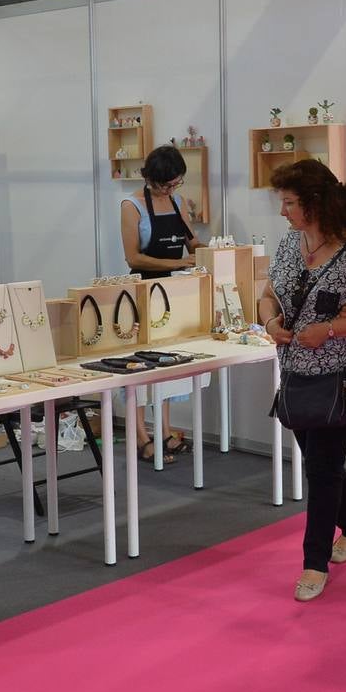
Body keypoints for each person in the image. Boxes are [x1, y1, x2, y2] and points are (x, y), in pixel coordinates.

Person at [258, 160, 346, 602]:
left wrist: (330, 329)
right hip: (296, 369)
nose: (284, 212)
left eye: (290, 203)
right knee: (322, 461)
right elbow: (267, 295)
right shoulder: (288, 245)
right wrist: (270, 320)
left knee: (320, 464)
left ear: (315, 203)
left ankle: (314, 562)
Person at [121, 145, 204, 464]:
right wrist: (181, 263)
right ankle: (142, 436)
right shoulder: (132, 205)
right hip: (144, 287)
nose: (170, 190)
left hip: (175, 290)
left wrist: (213, 250)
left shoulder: (177, 201)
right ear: (149, 179)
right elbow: (134, 257)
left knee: (169, 364)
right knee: (141, 364)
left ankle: (166, 431)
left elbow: (191, 241)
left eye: (175, 184)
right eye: (164, 185)